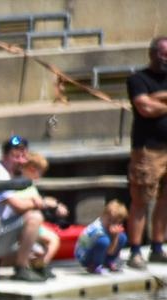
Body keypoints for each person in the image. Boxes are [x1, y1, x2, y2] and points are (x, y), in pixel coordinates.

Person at [0, 135, 63, 282]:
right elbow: (19, 207)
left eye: (23, 156)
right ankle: (21, 268)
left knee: (39, 252)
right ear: (4, 156)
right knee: (35, 217)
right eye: (16, 156)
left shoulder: (17, 176)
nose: (21, 161)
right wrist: (43, 203)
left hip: (4, 233)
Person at [126, 36, 167, 270]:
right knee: (141, 200)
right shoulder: (138, 79)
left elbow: (153, 104)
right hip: (147, 150)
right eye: (163, 54)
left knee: (165, 200)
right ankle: (134, 251)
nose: (166, 59)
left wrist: (158, 98)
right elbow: (145, 107)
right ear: (152, 53)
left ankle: (158, 246)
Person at [76, 200, 130, 274]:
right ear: (103, 215)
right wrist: (114, 237)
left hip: (99, 252)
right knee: (103, 241)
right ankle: (95, 265)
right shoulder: (97, 229)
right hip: (84, 256)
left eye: (117, 222)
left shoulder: (108, 228)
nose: (112, 224)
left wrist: (116, 236)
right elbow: (109, 251)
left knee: (122, 237)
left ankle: (109, 261)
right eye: (110, 220)